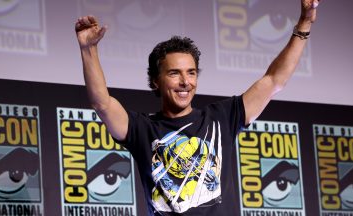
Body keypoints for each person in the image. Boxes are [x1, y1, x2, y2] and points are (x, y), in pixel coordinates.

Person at [75, 0, 321, 215]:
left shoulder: (222, 117)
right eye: (174, 73)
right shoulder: (143, 129)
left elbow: (274, 80)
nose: (185, 82)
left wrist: (304, 24)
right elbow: (102, 103)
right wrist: (89, 50)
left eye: (191, 73)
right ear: (155, 81)